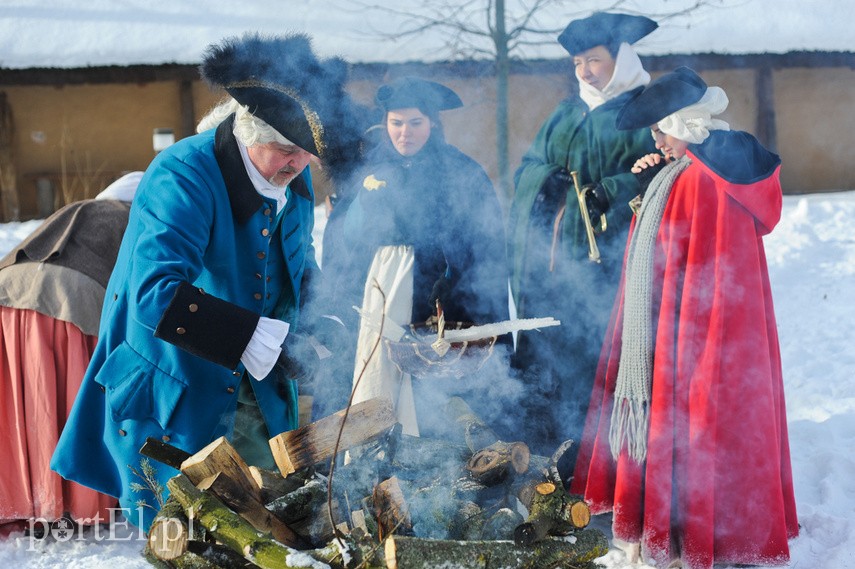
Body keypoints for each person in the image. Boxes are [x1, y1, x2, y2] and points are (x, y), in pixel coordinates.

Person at [50, 32, 363, 531]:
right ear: (248, 130)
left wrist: (327, 318)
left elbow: (297, 265)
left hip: (259, 391)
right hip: (178, 389)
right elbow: (155, 297)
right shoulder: (183, 174)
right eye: (287, 150)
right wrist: (265, 341)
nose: (299, 164)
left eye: (306, 153)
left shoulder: (292, 173)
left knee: (272, 521)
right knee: (187, 537)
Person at [570, 66, 799, 569]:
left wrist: (666, 182)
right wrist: (654, 181)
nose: (656, 138)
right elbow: (663, 241)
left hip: (696, 331)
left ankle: (697, 529)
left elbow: (696, 265)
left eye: (662, 128)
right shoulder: (695, 169)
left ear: (686, 122)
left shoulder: (705, 178)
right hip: (677, 322)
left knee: (697, 421)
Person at [506, 12, 659, 461]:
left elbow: (660, 171)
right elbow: (526, 168)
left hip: (605, 269)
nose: (585, 72)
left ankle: (597, 464)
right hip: (547, 266)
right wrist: (546, 180)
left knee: (591, 360)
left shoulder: (644, 110)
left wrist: (607, 191)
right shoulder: (566, 111)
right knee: (545, 360)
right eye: (577, 63)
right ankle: (543, 458)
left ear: (621, 57)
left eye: (594, 60)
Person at [328, 76, 510, 436]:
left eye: (415, 123)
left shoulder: (461, 172)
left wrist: (452, 277)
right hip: (378, 288)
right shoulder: (368, 171)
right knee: (378, 372)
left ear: (433, 124)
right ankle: (377, 453)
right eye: (396, 123)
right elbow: (341, 238)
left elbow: (484, 244)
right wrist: (365, 209)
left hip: (440, 298)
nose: (404, 134)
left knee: (434, 392)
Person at [0, 173, 140, 535]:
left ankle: (20, 498)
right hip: (70, 299)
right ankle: (74, 499)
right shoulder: (137, 218)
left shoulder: (76, 209)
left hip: (7, 292)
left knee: (21, 399)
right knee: (65, 397)